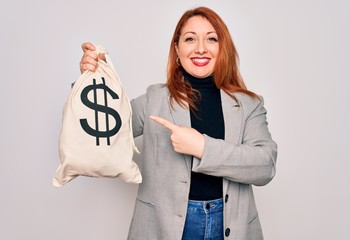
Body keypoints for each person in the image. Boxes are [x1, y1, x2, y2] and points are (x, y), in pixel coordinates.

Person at [79, 6, 277, 240]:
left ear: (222, 47)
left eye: (211, 39)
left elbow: (264, 166)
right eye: (190, 39)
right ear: (177, 47)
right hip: (164, 228)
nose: (200, 48)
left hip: (229, 225)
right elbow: (100, 131)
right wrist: (91, 80)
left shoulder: (248, 104)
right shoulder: (154, 98)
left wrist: (202, 148)